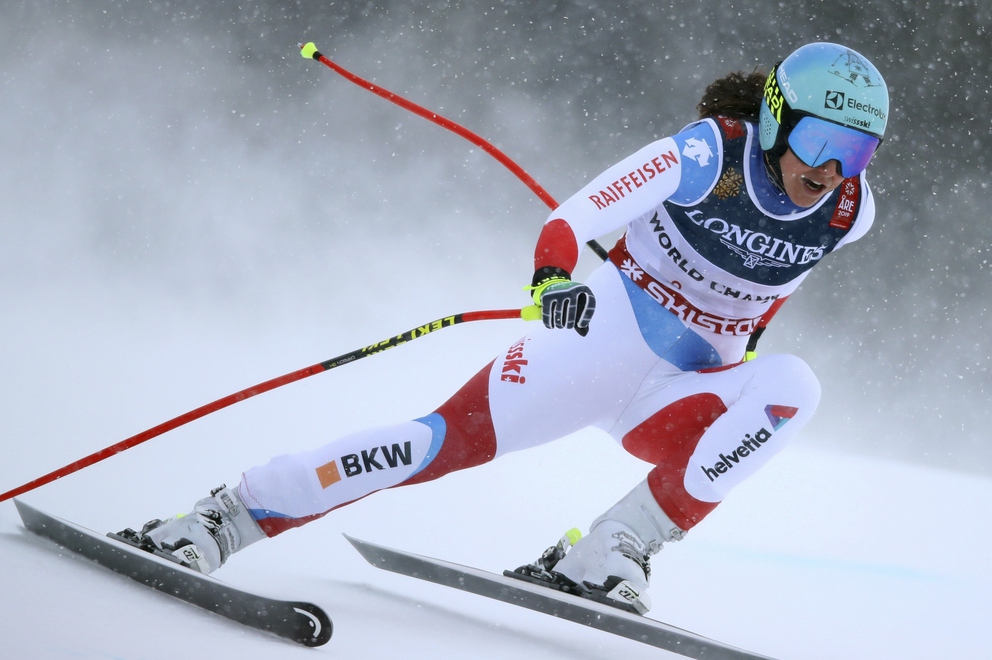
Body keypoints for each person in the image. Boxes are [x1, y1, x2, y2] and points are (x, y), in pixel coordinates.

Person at [121, 42, 889, 615]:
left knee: (794, 388)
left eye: (857, 153)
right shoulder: (706, 154)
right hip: (599, 340)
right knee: (429, 445)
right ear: (777, 119)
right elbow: (575, 217)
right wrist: (554, 280)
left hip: (678, 391)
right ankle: (227, 515)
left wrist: (743, 343)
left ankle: (615, 548)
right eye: (822, 142)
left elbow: (781, 277)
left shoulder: (851, 212)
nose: (831, 170)